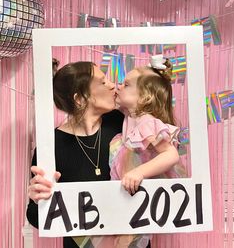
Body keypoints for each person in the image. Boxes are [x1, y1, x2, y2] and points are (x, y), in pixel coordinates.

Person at [26, 60, 152, 248]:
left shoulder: (123, 123)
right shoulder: (50, 147)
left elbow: (160, 134)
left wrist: (158, 77)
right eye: (103, 82)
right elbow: (37, 219)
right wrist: (37, 199)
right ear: (80, 98)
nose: (112, 85)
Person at [107, 54, 184, 248]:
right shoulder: (129, 116)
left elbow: (171, 155)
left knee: (132, 238)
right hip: (127, 194)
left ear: (144, 97)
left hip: (140, 192)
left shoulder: (146, 122)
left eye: (126, 84)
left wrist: (138, 172)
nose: (118, 86)